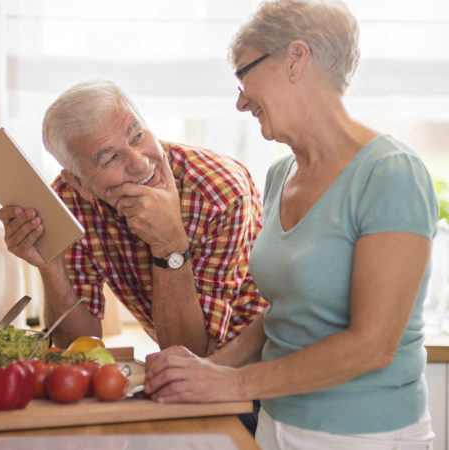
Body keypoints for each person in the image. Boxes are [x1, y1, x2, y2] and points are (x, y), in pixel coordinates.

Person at [143, 1, 439, 448]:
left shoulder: (390, 173)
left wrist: (234, 386)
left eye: (244, 74)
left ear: (296, 59)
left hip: (365, 434)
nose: (240, 100)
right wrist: (214, 369)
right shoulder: (281, 175)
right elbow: (285, 313)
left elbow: (372, 344)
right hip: (277, 423)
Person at [0, 80, 267, 357]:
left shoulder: (220, 193)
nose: (140, 163)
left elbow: (192, 353)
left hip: (262, 362)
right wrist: (50, 264)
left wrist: (170, 244)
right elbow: (77, 346)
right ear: (79, 183)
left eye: (137, 136)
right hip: (185, 374)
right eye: (111, 157)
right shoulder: (69, 201)